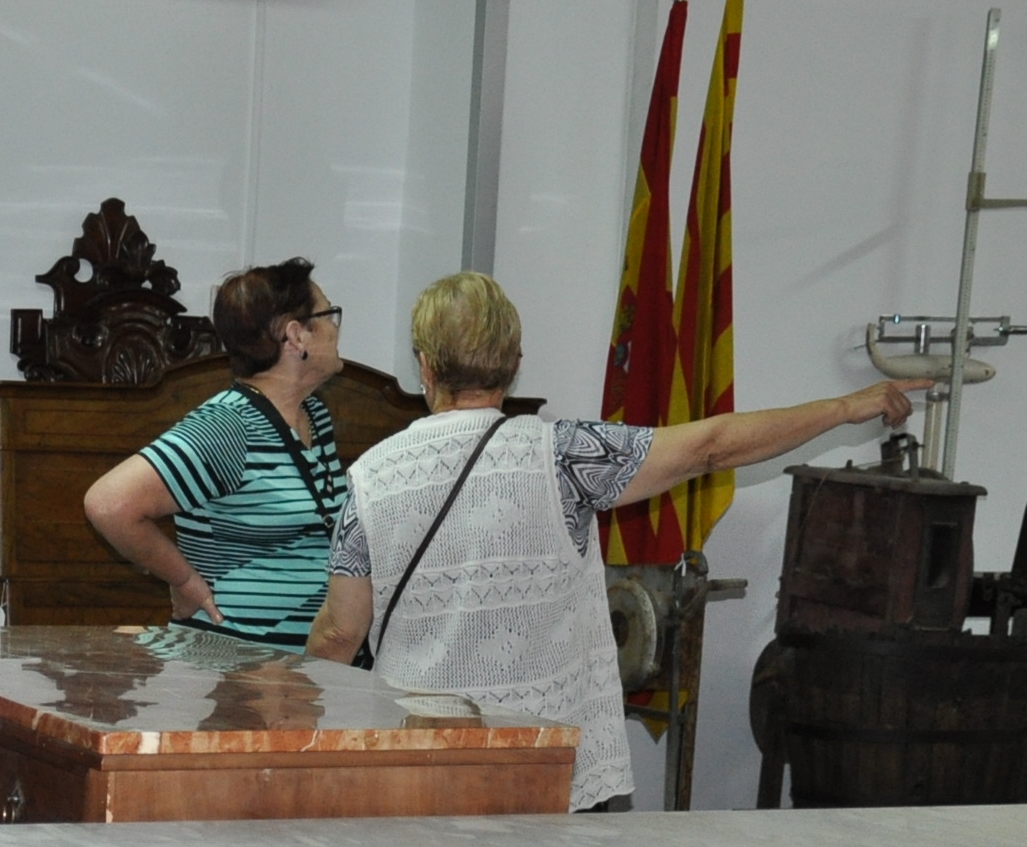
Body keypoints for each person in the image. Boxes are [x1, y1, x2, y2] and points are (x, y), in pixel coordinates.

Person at [304, 272, 911, 809]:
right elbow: (711, 446)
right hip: (538, 763)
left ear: (425, 366)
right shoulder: (564, 455)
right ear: (514, 362)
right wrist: (843, 406)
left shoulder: (371, 477)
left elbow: (338, 634)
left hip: (416, 758)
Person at [81, 257, 349, 646]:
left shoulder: (314, 416)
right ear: (296, 336)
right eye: (328, 315)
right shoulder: (229, 425)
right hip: (232, 666)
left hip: (300, 671)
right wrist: (185, 581)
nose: (336, 329)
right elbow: (109, 505)